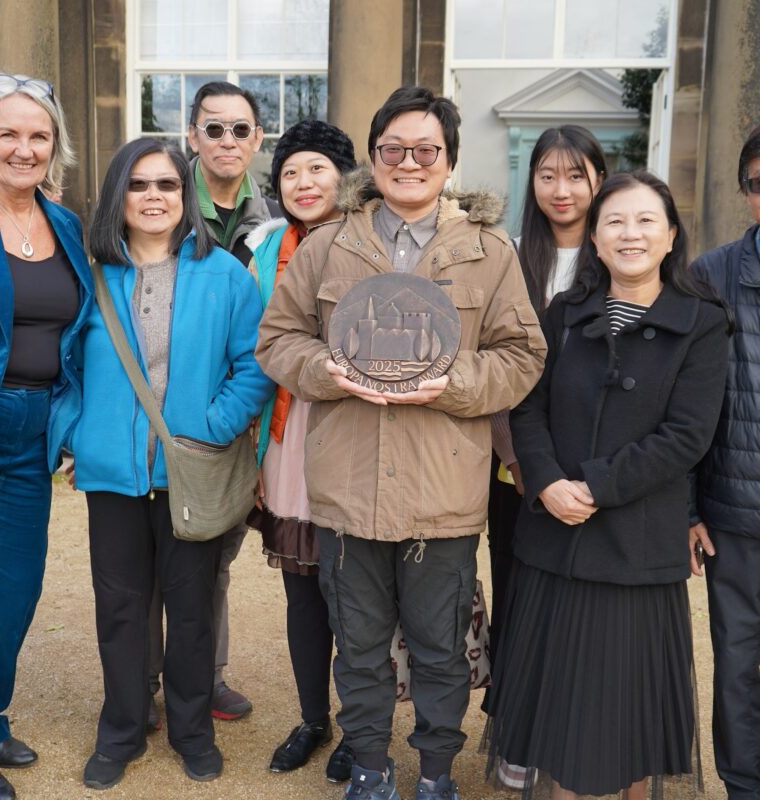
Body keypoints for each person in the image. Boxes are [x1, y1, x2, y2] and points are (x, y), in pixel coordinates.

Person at [256, 85, 546, 800]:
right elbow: (277, 340)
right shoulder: (329, 244)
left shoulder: (488, 252)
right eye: (394, 149)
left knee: (441, 645)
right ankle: (370, 768)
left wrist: (448, 381)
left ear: (448, 162)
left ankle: (438, 772)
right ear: (375, 156)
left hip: (441, 492)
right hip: (348, 490)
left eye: (426, 150)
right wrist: (322, 370)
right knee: (357, 644)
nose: (408, 162)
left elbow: (521, 356)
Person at [484, 171, 730, 800]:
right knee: (558, 713)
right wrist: (544, 483)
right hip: (554, 542)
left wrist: (590, 487)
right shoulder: (564, 315)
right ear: (594, 238)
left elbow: (687, 435)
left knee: (626, 716)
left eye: (647, 220)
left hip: (636, 547)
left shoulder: (701, 323)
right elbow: (526, 409)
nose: (630, 233)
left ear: (671, 236)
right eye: (615, 221)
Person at [68, 137, 272, 790]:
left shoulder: (225, 277)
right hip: (113, 478)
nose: (154, 197)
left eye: (167, 185)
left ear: (185, 198)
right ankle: (122, 730)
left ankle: (191, 732)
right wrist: (77, 435)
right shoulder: (88, 273)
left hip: (195, 472)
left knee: (190, 612)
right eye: (139, 185)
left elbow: (256, 365)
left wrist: (210, 427)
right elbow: (63, 366)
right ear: (116, 197)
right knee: (121, 609)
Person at [0, 73, 92, 800]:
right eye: (8, 132)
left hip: (35, 431)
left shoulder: (65, 225)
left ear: (54, 146)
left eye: (37, 135)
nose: (23, 147)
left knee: (13, 591)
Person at [147, 80, 282, 725]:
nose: (228, 140)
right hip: (157, 415)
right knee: (145, 556)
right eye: (213, 128)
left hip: (236, 413)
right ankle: (143, 679)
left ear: (257, 139)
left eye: (240, 129)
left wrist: (225, 420)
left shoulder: (278, 217)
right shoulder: (159, 201)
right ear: (192, 137)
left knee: (213, 549)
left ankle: (205, 675)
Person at [485, 125, 606, 790]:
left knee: (581, 606)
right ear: (530, 183)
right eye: (548, 176)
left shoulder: (617, 254)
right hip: (516, 469)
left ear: (598, 179)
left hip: (593, 471)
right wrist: (522, 461)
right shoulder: (508, 256)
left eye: (577, 175)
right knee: (518, 598)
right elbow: (498, 364)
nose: (562, 190)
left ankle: (572, 733)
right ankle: (516, 733)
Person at [244, 119, 357, 781]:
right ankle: (314, 717)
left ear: (344, 175)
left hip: (351, 432)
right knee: (302, 591)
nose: (303, 182)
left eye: (317, 168)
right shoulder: (265, 251)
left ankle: (359, 724)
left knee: (356, 594)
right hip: (286, 436)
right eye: (290, 172)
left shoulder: (373, 241)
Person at [689, 123, 760, 800]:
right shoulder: (711, 274)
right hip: (737, 514)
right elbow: (685, 401)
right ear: (747, 192)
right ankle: (743, 787)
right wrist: (687, 508)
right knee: (738, 664)